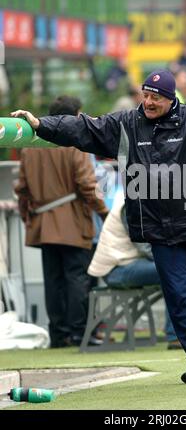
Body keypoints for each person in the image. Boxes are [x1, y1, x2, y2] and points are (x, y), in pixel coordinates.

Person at [11, 69, 186, 383]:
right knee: (180, 292)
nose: (148, 102)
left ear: (170, 98)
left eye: (156, 97)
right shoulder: (125, 125)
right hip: (159, 231)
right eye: (145, 94)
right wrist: (41, 124)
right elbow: (85, 128)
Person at [14, 96, 108, 348]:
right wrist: (105, 213)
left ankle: (58, 334)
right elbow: (88, 185)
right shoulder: (73, 144)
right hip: (73, 220)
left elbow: (21, 188)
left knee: (53, 281)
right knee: (77, 277)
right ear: (74, 116)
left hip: (43, 222)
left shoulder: (29, 145)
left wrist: (28, 217)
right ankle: (78, 333)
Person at [88, 191, 180, 349]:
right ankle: (176, 335)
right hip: (116, 270)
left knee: (176, 269)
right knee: (173, 270)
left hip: (129, 264)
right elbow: (143, 245)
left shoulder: (148, 200)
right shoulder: (131, 204)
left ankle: (184, 332)